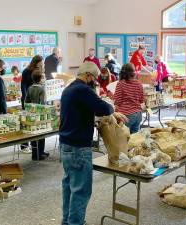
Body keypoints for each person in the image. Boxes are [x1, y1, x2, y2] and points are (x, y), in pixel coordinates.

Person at [59, 61, 127, 225]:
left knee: (69, 186)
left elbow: (86, 110)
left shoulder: (69, 88)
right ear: (88, 76)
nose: (95, 81)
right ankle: (76, 222)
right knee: (81, 190)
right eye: (94, 78)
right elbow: (102, 108)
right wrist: (113, 110)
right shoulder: (83, 89)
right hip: (78, 147)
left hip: (66, 144)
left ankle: (67, 221)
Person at [20, 55, 43, 154]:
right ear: (35, 62)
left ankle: (36, 148)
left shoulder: (40, 70)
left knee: (35, 123)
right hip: (28, 99)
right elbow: (23, 85)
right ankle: (24, 145)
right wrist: (25, 100)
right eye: (41, 62)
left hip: (36, 100)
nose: (42, 64)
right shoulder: (27, 71)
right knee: (26, 123)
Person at [25, 67, 48, 161]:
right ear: (41, 79)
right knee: (42, 134)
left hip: (31, 113)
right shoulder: (42, 89)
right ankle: (40, 153)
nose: (45, 79)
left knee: (34, 134)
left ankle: (35, 153)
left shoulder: (30, 88)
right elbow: (43, 103)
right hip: (40, 114)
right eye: (44, 77)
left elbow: (26, 100)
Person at [114, 63, 144, 134]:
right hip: (138, 114)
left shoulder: (120, 84)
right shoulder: (139, 83)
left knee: (123, 139)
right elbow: (142, 100)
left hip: (127, 115)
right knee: (134, 140)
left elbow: (117, 101)